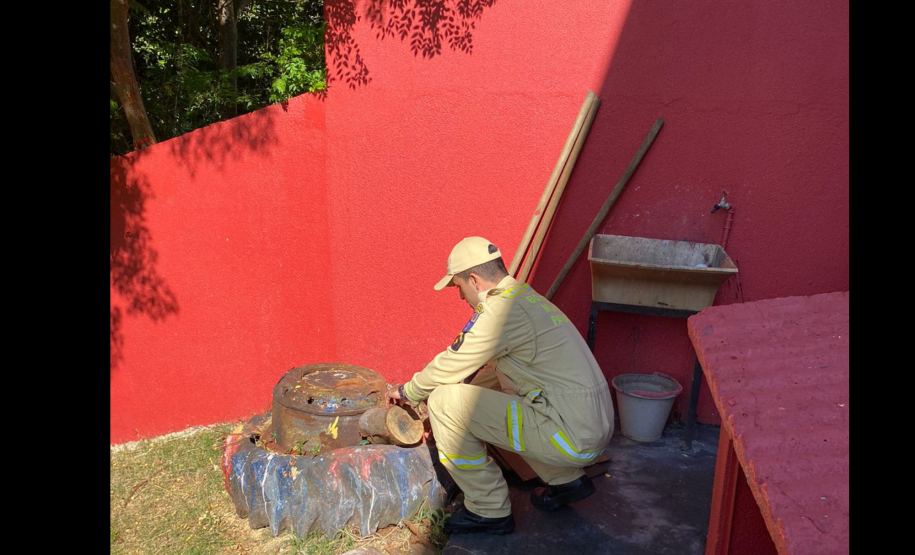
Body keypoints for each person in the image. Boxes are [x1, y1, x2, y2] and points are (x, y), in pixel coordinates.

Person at [385, 236, 615, 535]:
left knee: (443, 401)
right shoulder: (527, 298)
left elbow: (452, 362)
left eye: (458, 287)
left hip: (571, 438)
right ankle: (567, 481)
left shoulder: (500, 312)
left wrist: (408, 391)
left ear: (474, 280)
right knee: (489, 385)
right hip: (587, 427)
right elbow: (486, 375)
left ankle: (488, 510)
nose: (459, 297)